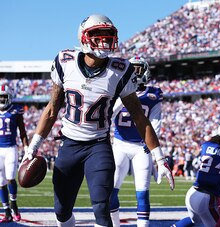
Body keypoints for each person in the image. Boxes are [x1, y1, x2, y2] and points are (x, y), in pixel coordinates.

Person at [21, 14, 174, 227]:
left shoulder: (120, 70)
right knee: (61, 211)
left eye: (108, 35)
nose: (104, 40)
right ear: (83, 37)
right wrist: (33, 147)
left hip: (98, 146)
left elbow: (139, 117)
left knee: (102, 206)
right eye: (97, 35)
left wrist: (159, 157)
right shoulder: (64, 62)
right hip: (69, 145)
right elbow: (52, 109)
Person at [109, 56, 165, 227]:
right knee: (111, 192)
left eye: (138, 69)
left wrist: (152, 146)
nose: (134, 72)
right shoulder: (117, 90)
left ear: (145, 71)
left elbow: (156, 121)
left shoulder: (153, 94)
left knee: (142, 193)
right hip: (120, 144)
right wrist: (123, 95)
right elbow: (108, 115)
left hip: (142, 147)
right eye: (131, 68)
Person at [0, 84, 29, 223]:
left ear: (9, 97)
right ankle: (6, 212)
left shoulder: (16, 111)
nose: (1, 99)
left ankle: (14, 205)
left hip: (11, 148)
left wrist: (26, 147)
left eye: (4, 96)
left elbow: (22, 131)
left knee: (11, 177)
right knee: (1, 182)